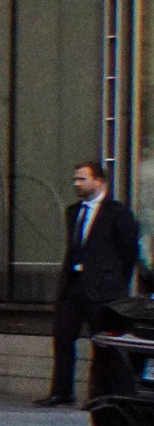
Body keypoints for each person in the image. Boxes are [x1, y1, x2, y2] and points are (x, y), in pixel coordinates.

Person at [40, 159, 144, 406]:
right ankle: (61, 391)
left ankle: (102, 394)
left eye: (82, 179)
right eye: (75, 179)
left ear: (99, 181)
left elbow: (128, 251)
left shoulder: (117, 212)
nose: (77, 184)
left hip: (103, 289)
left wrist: (115, 281)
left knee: (103, 343)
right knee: (63, 337)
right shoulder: (73, 211)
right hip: (73, 285)